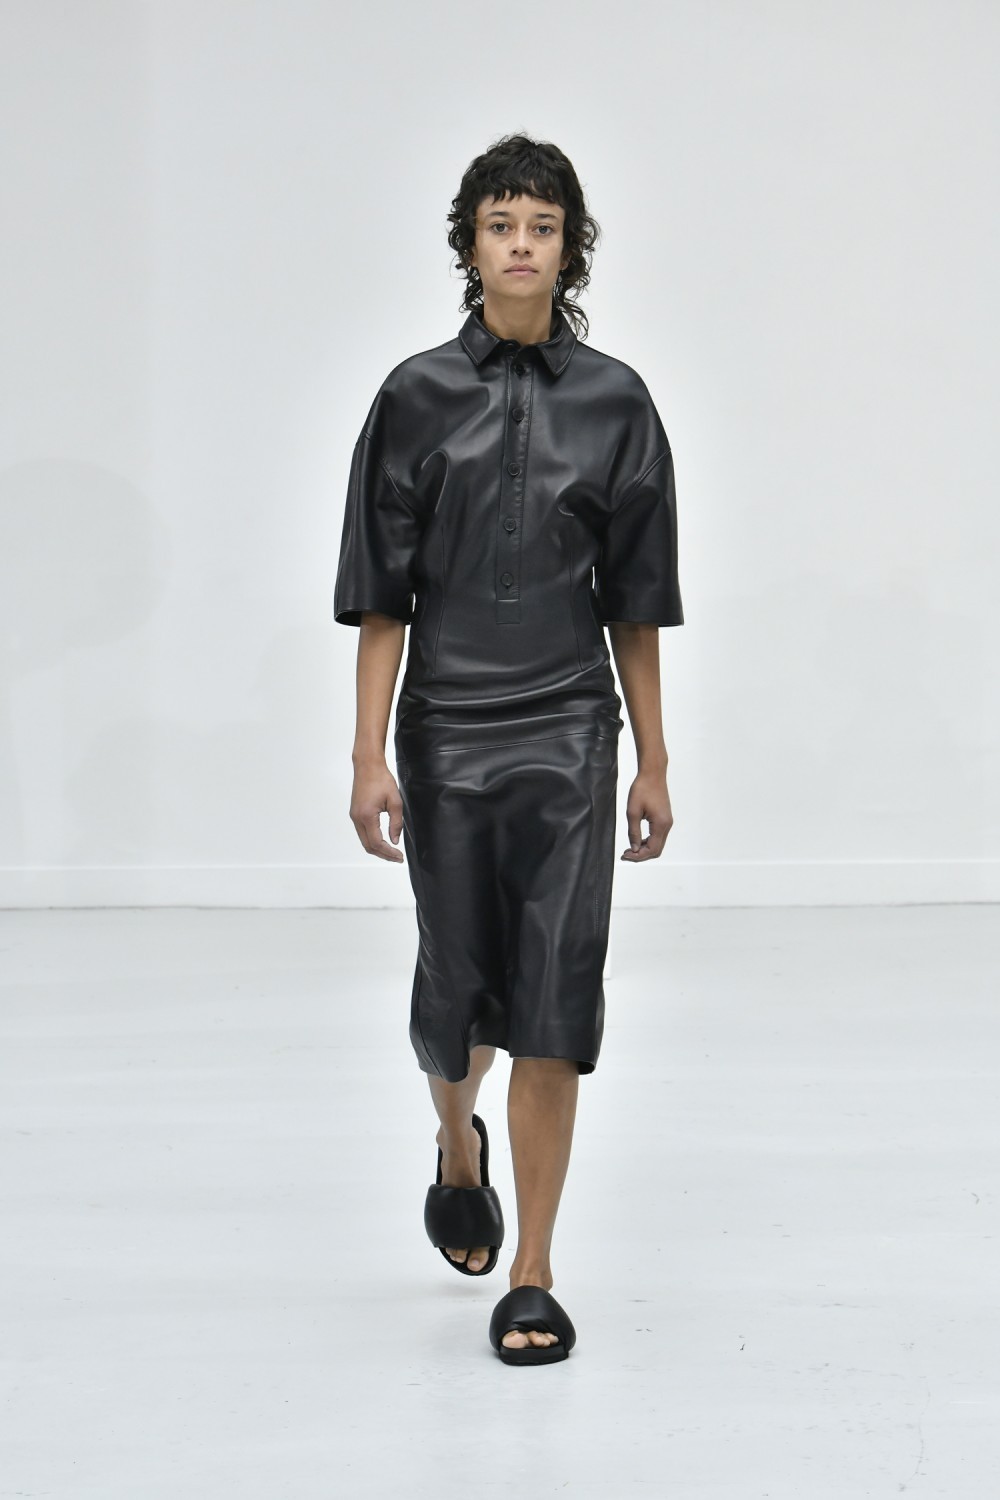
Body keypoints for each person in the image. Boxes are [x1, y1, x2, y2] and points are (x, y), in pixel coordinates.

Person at [333, 133, 683, 1365]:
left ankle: (533, 1268)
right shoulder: (414, 396)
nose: (521, 244)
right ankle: (454, 1139)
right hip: (444, 729)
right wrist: (367, 754)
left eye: (541, 225)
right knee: (456, 998)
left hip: (569, 727)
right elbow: (382, 597)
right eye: (500, 225)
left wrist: (650, 758)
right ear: (469, 244)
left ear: (568, 247)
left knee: (552, 993)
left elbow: (635, 601)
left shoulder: (617, 403)